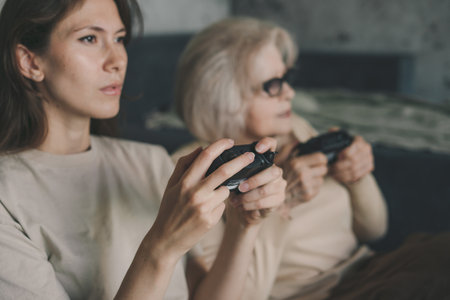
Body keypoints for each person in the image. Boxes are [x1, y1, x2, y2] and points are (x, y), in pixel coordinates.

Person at [0, 2, 286, 299]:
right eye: (89, 38)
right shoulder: (7, 196)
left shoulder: (151, 161)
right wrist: (161, 248)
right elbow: (161, 253)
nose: (117, 60)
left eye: (119, 39)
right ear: (30, 61)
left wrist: (243, 227)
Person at [173, 17, 389, 300]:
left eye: (287, 78)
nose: (290, 92)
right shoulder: (198, 169)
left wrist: (358, 175)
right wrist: (282, 202)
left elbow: (374, 230)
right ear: (223, 94)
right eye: (273, 84)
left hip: (373, 268)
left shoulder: (293, 127)